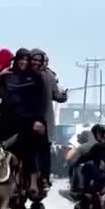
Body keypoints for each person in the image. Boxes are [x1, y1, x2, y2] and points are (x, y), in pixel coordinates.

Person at [1, 48, 48, 197]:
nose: (24, 62)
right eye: (21, 59)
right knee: (10, 150)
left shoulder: (35, 77)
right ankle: (11, 181)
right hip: (11, 120)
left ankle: (35, 182)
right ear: (16, 60)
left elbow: (41, 101)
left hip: (31, 120)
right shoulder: (7, 76)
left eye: (27, 60)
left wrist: (38, 120)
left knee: (31, 149)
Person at [30, 49, 68, 187]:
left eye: (39, 61)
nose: (37, 63)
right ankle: (42, 178)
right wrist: (63, 95)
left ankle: (43, 178)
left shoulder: (47, 76)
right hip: (33, 119)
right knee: (41, 150)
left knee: (42, 150)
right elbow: (58, 96)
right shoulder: (48, 75)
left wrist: (63, 95)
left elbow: (57, 96)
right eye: (34, 60)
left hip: (42, 119)